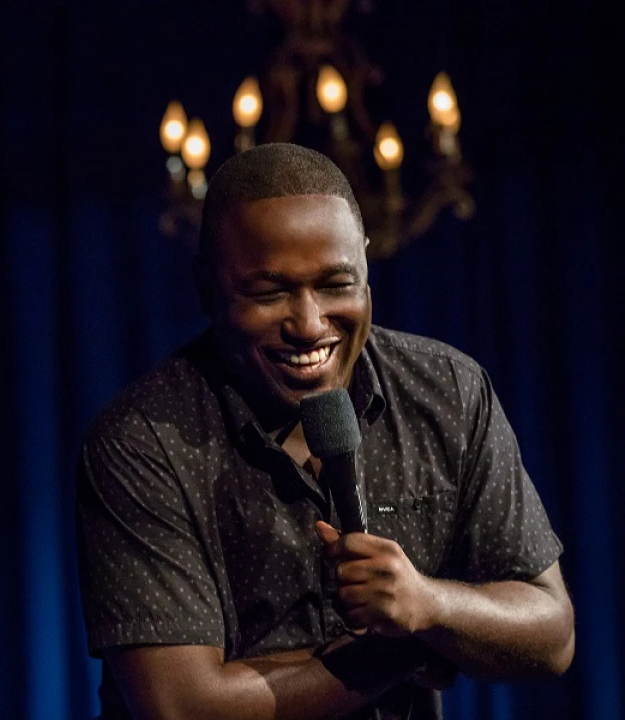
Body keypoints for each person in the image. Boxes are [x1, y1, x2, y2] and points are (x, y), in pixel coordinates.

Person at [74, 143, 574, 720]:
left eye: (336, 284)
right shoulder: (143, 442)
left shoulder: (449, 393)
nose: (309, 325)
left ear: (366, 274)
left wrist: (429, 603)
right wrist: (405, 648)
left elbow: (552, 634)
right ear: (208, 290)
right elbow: (182, 709)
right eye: (270, 292)